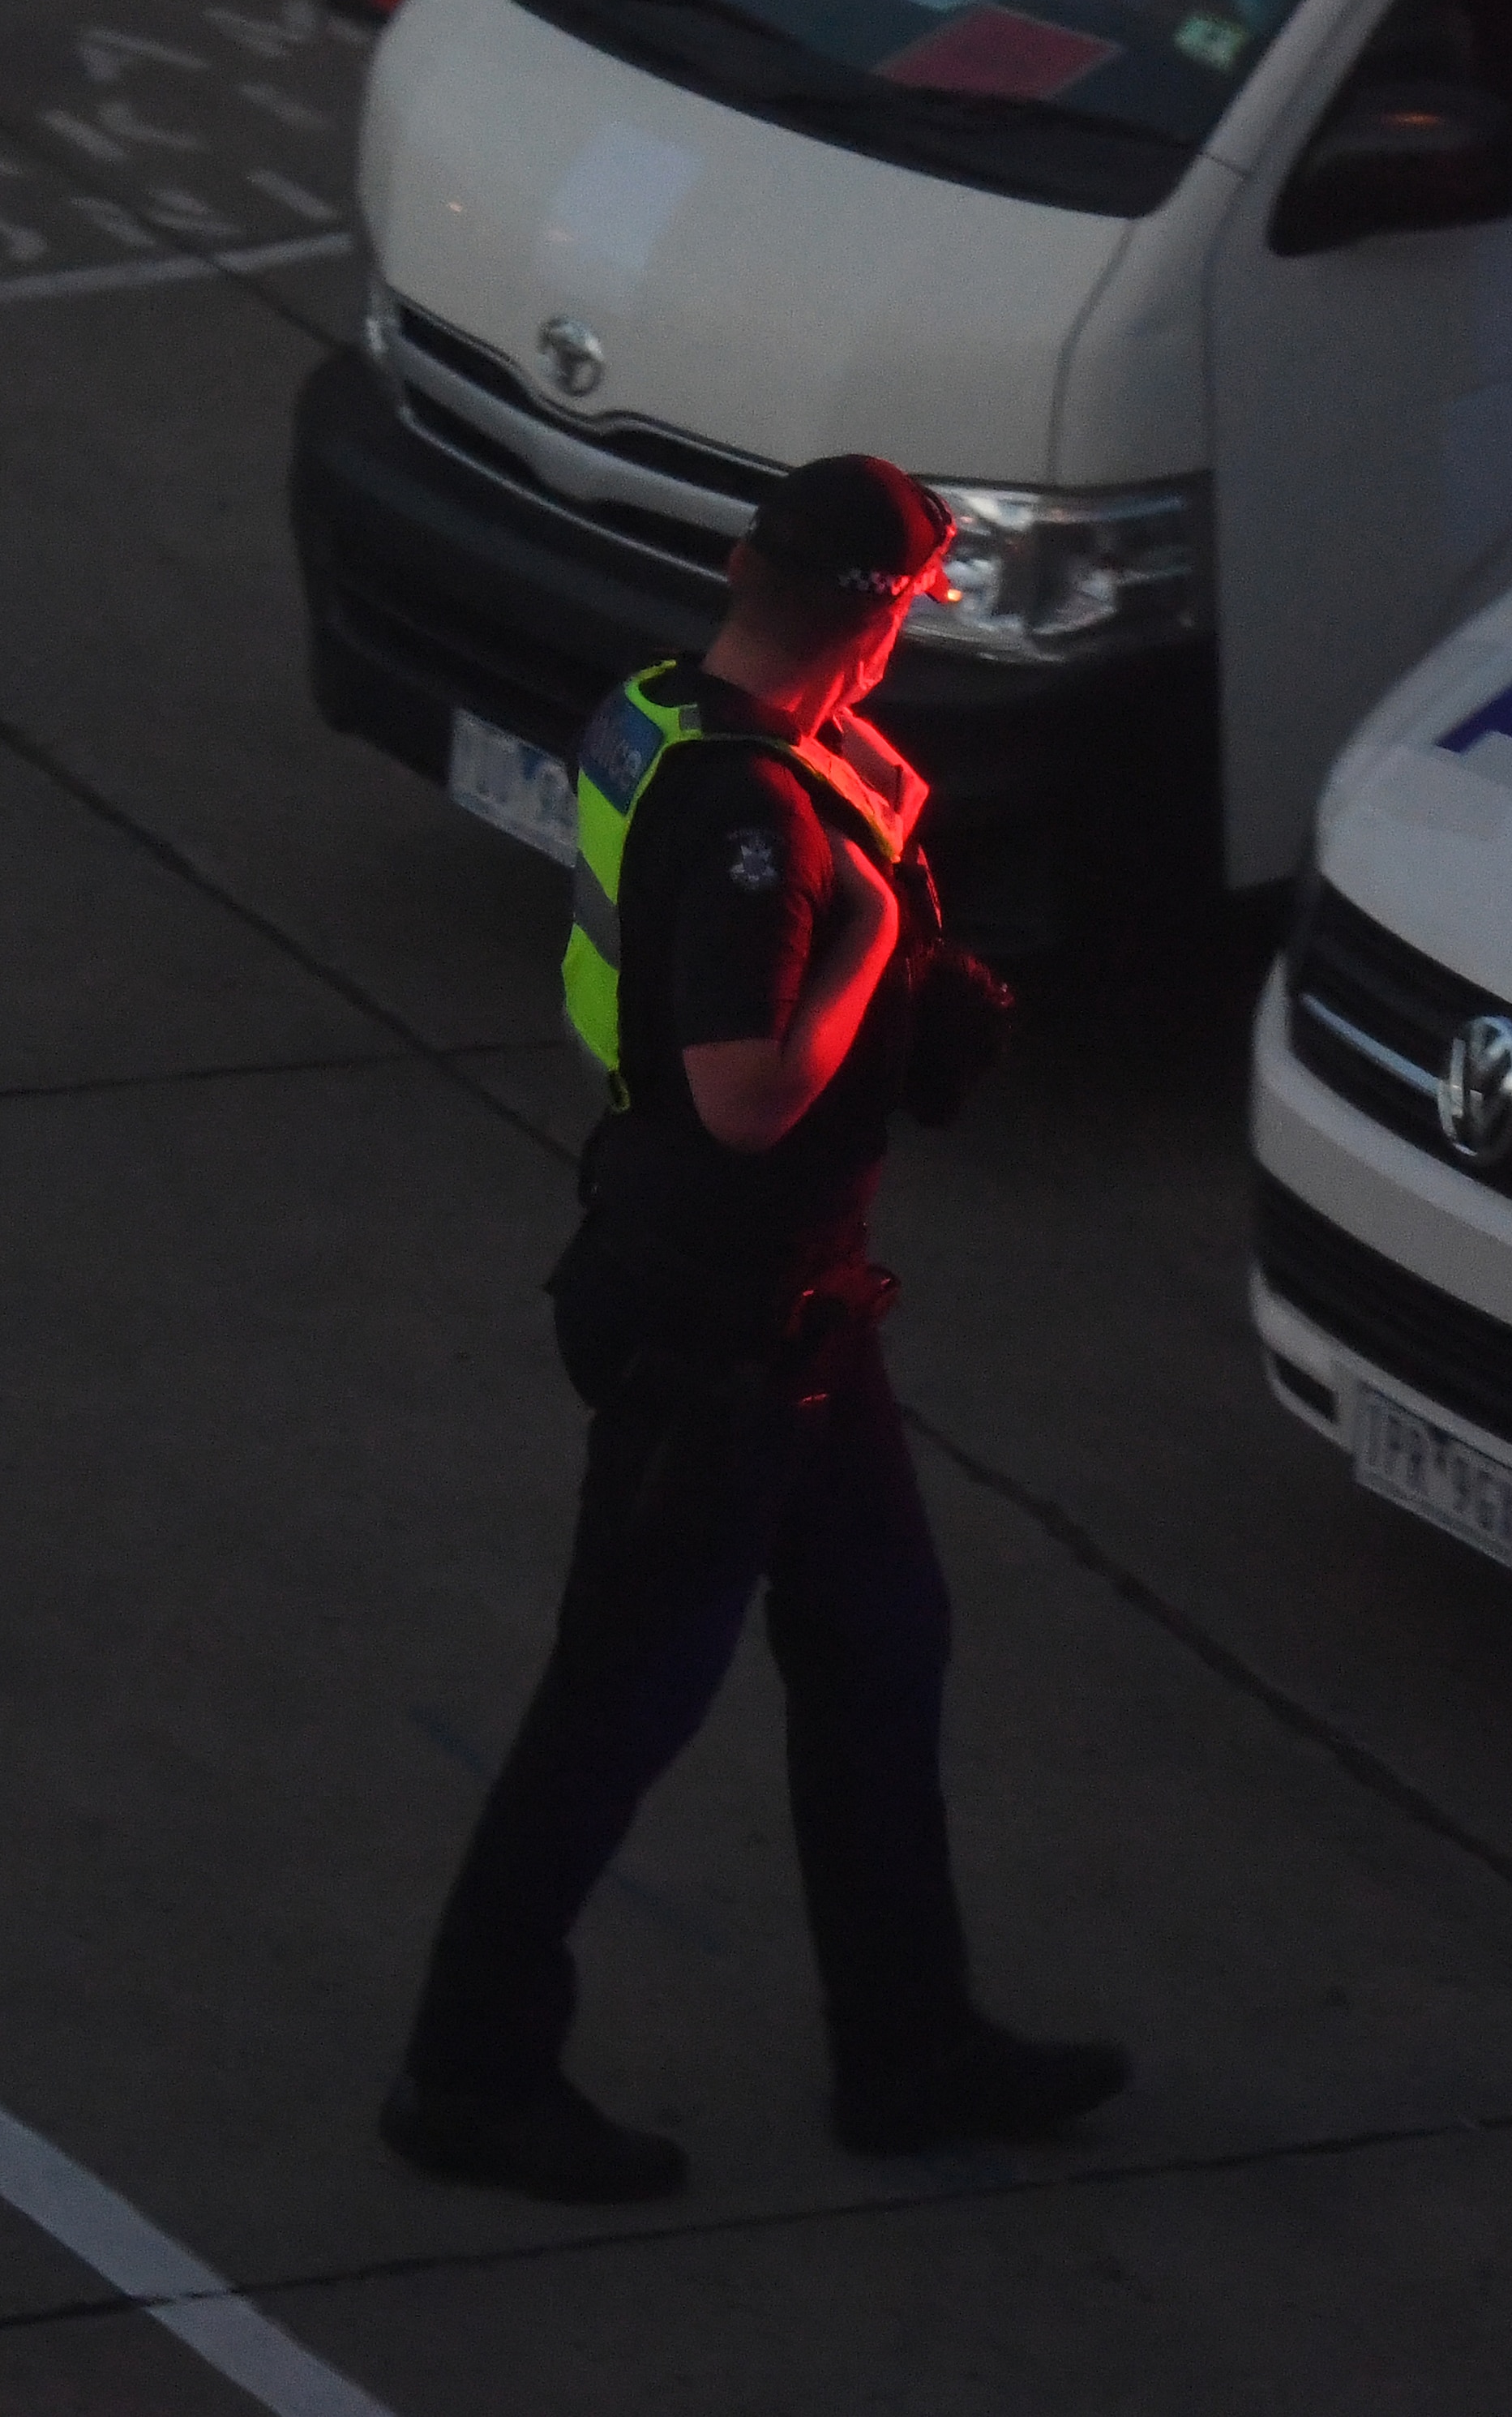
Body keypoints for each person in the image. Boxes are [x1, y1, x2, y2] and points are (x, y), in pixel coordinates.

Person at [381, 455, 1117, 2205]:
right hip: (706, 1328)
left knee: (878, 1640)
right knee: (619, 1704)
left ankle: (909, 2043)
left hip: (775, 1314)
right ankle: (467, 2071)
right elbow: (739, 1092)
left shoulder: (652, 714)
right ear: (876, 626)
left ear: (738, 563)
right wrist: (870, 933)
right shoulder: (760, 821)